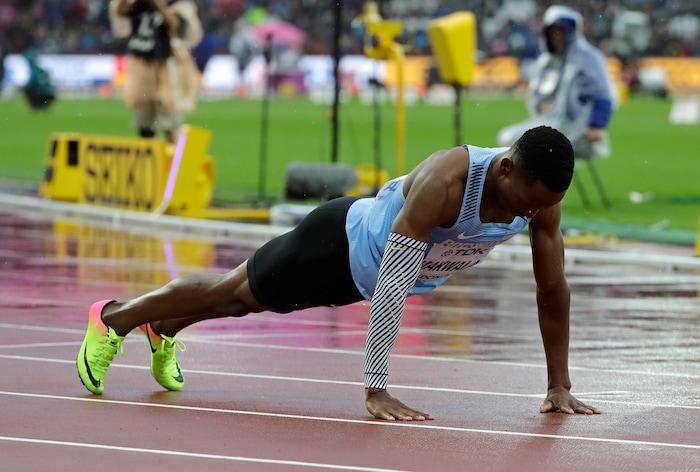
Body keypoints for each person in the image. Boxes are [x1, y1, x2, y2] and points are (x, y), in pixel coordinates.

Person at [77, 125, 602, 420]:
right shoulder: (447, 181)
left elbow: (552, 290)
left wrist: (559, 384)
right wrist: (376, 390)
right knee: (229, 296)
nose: (525, 217)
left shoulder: (540, 201)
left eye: (539, 209)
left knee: (233, 301)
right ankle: (114, 317)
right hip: (333, 245)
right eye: (523, 204)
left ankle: (163, 328)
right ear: (506, 168)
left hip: (359, 278)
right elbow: (394, 285)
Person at [497, 5, 617, 159]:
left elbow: (603, 94)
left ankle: (525, 182)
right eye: (552, 31)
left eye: (560, 30)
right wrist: (543, 105)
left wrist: (596, 125)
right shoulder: (548, 62)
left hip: (579, 129)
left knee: (514, 142)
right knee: (508, 139)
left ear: (570, 31)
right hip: (554, 123)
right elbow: (540, 94)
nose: (556, 36)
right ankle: (529, 181)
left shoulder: (587, 58)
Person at [109, 0, 202, 143]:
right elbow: (121, 12)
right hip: (141, 67)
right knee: (143, 121)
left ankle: (174, 159)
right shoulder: (139, 4)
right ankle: (153, 157)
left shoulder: (176, 4)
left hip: (164, 68)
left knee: (169, 118)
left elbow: (175, 25)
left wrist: (157, 5)